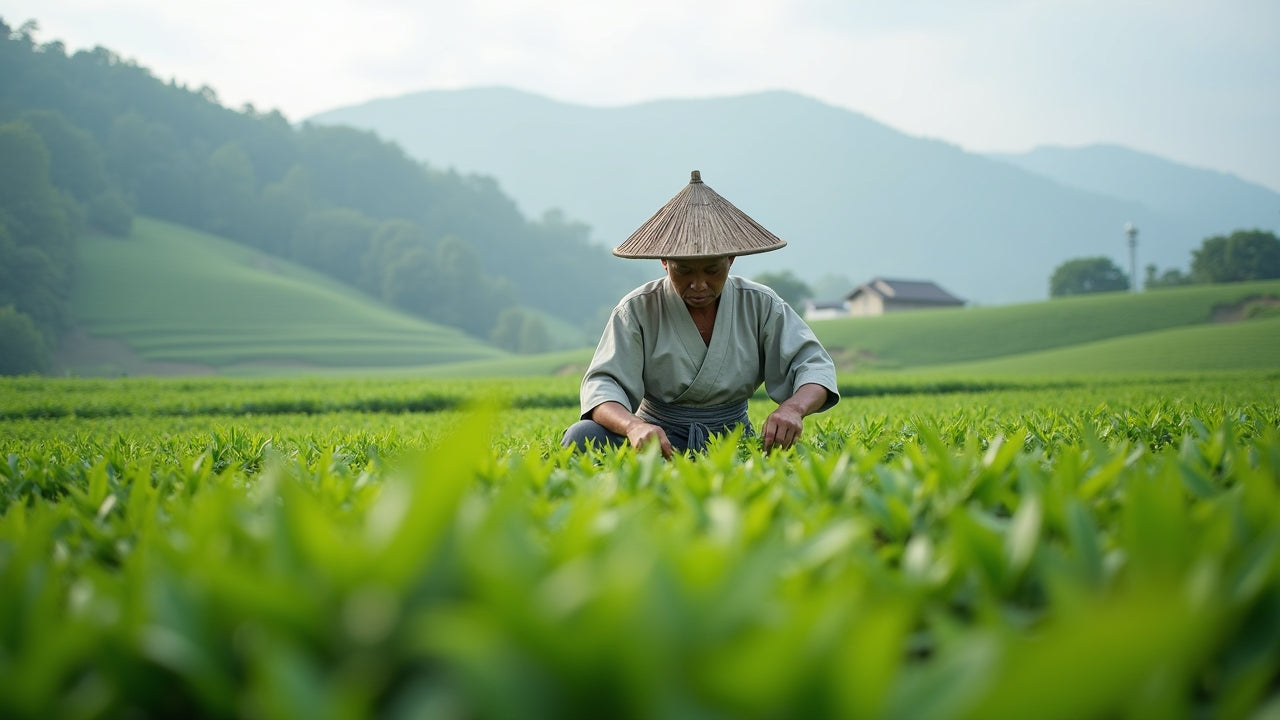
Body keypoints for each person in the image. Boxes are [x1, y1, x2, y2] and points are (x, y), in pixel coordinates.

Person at [562, 170, 840, 458]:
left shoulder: (761, 304)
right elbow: (602, 387)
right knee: (583, 435)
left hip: (732, 438)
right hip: (657, 439)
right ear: (664, 262)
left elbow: (814, 366)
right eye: (684, 271)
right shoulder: (637, 309)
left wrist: (792, 409)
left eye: (712, 270)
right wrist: (634, 426)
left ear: (731, 260)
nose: (698, 285)